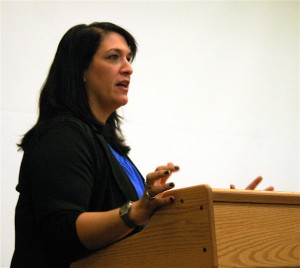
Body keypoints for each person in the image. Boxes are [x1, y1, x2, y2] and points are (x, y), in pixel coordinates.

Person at [11, 22, 273, 268]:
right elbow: (63, 231)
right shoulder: (62, 135)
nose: (128, 68)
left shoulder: (107, 145)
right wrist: (135, 211)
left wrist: (231, 217)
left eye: (128, 58)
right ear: (80, 71)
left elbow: (138, 234)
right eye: (113, 57)